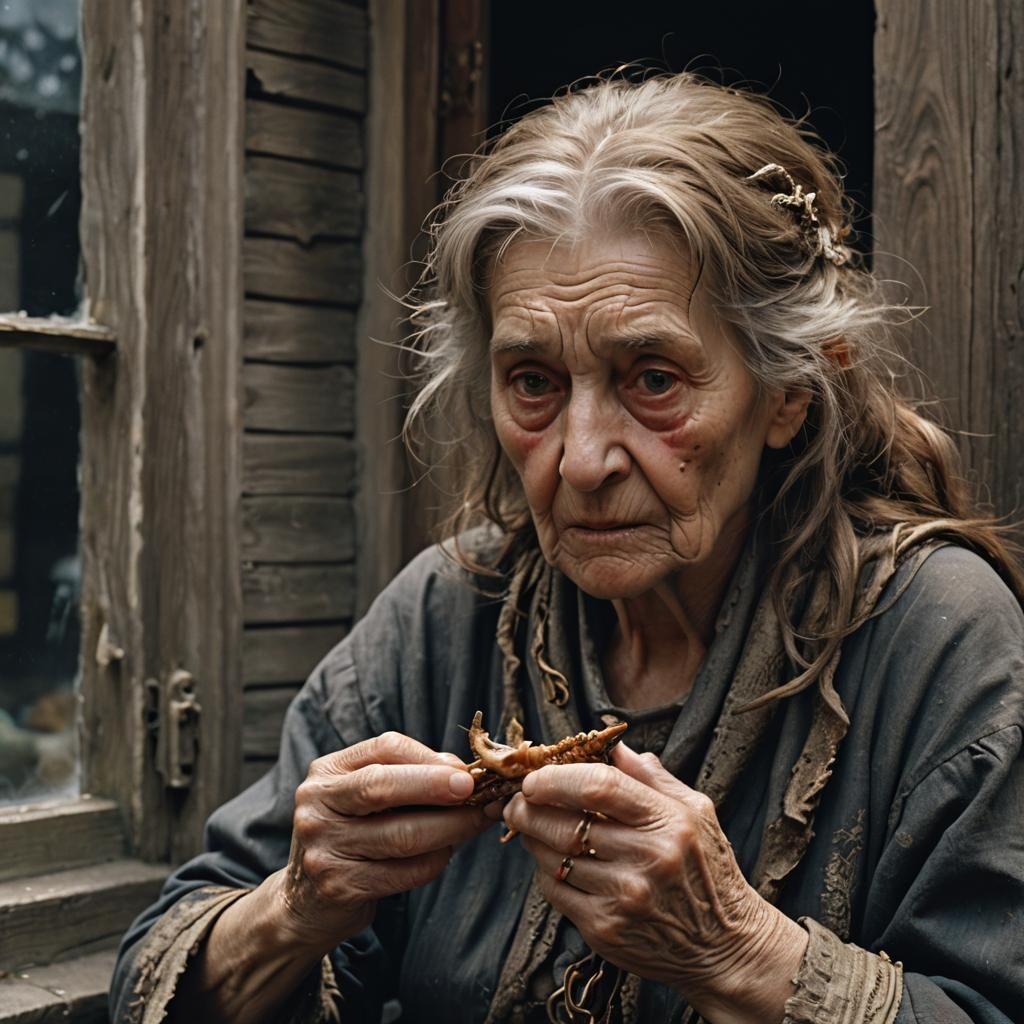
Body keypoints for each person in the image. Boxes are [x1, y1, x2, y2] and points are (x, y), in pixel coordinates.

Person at [110, 73, 1024, 1024]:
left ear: (789, 391)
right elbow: (155, 972)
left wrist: (736, 949)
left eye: (654, 379)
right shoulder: (448, 616)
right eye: (534, 381)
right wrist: (295, 908)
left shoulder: (936, 638)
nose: (582, 460)